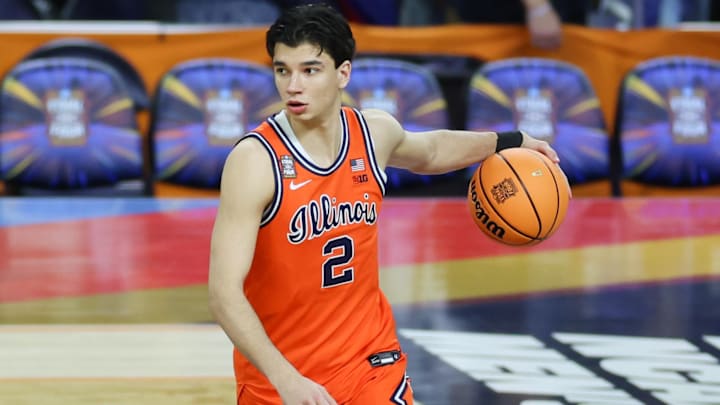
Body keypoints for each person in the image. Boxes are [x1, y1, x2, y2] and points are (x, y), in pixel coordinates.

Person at [207, 3, 561, 404]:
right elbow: (224, 294)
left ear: (343, 73)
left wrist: (509, 141)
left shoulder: (373, 132)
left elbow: (431, 150)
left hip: (370, 364)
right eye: (282, 70)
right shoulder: (255, 161)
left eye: (310, 70)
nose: (293, 86)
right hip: (279, 380)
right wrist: (287, 380)